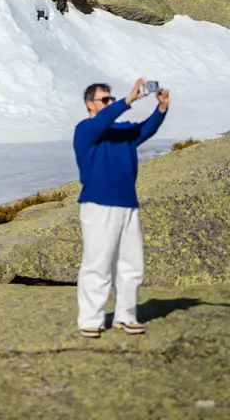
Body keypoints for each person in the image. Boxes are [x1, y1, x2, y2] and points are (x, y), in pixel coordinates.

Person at [73, 78, 169, 338]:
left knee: (132, 264)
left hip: (128, 204)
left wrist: (161, 108)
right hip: (98, 205)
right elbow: (101, 124)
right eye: (104, 99)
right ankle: (90, 319)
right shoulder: (85, 130)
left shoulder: (122, 132)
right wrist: (127, 101)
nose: (109, 103)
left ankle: (126, 317)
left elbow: (144, 130)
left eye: (111, 99)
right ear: (89, 104)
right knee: (98, 263)